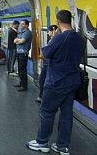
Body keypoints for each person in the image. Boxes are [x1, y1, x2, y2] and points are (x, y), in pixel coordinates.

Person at [26, 10, 85, 155]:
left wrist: (53, 37)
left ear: (58, 22)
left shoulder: (59, 38)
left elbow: (43, 54)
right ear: (70, 20)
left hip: (56, 82)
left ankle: (42, 142)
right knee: (66, 115)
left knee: (47, 112)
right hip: (72, 82)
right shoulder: (80, 38)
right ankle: (62, 146)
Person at [35, 25, 58, 103]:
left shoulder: (55, 40)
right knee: (42, 80)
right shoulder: (51, 40)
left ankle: (46, 98)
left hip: (49, 64)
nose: (48, 33)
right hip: (46, 63)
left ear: (53, 31)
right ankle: (42, 96)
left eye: (49, 31)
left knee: (46, 82)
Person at [13, 19, 32, 92]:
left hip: (23, 53)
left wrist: (18, 40)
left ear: (27, 25)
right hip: (19, 52)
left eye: (23, 24)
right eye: (21, 24)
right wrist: (18, 40)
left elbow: (21, 41)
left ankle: (24, 86)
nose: (21, 25)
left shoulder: (27, 33)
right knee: (20, 69)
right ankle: (21, 83)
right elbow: (15, 40)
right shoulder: (21, 32)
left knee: (23, 69)